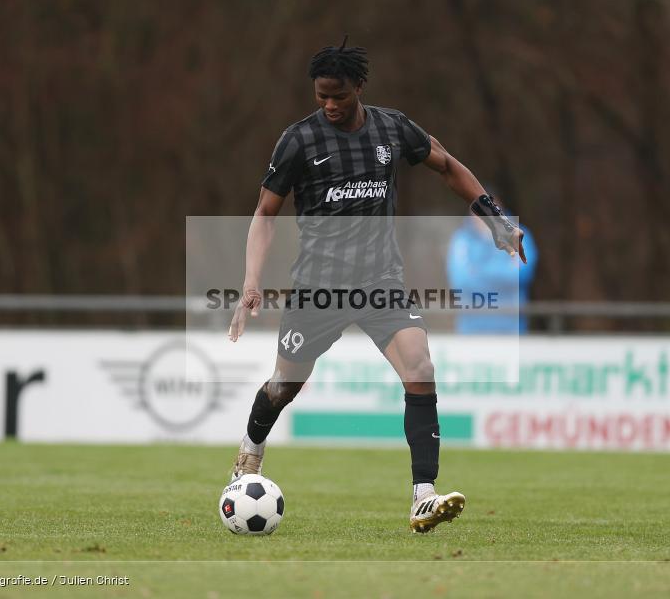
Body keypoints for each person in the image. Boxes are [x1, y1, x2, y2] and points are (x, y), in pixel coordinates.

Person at [226, 37, 527, 533]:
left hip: (380, 282)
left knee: (420, 366)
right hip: (317, 290)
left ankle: (423, 497)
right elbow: (264, 214)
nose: (329, 105)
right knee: (284, 386)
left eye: (338, 96)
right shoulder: (298, 140)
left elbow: (448, 165)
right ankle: (250, 452)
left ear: (359, 87)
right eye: (321, 96)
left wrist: (494, 217)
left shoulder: (392, 128)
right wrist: (252, 279)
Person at [447, 213, 537, 334]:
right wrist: (502, 274)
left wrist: (478, 271)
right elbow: (460, 281)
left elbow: (521, 275)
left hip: (512, 331)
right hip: (471, 331)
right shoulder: (461, 239)